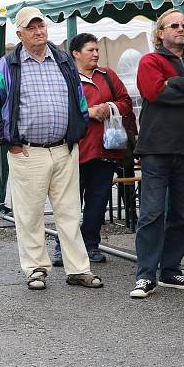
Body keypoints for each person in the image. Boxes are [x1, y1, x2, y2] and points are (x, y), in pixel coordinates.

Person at [0, 7, 101, 291]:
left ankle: (78, 269)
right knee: (29, 215)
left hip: (64, 148)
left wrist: (78, 131)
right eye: (32, 27)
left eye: (42, 26)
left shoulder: (63, 59)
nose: (39, 31)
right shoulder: (8, 64)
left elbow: (79, 99)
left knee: (70, 213)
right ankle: (36, 269)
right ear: (20, 34)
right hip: (27, 151)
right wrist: (9, 142)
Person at [130, 8, 184, 299]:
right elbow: (155, 93)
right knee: (152, 213)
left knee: (181, 214)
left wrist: (176, 82)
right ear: (161, 33)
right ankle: (145, 275)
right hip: (157, 147)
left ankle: (170, 270)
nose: (180, 29)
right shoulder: (150, 60)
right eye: (174, 25)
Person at [51, 33, 133, 265]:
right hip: (74, 151)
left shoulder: (108, 76)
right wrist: (89, 112)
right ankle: (62, 247)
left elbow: (126, 102)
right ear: (76, 53)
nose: (96, 53)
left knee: (98, 202)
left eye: (97, 50)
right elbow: (58, 109)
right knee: (69, 203)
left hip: (106, 150)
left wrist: (108, 106)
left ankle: (90, 245)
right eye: (90, 50)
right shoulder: (65, 78)